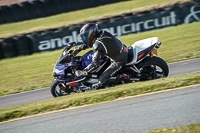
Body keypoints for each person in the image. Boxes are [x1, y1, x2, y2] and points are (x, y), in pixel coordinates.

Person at [75, 23, 128, 89]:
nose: (84, 38)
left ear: (91, 33)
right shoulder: (101, 33)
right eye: (83, 36)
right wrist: (80, 48)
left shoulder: (97, 44)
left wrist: (84, 71)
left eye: (85, 35)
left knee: (100, 81)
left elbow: (95, 64)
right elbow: (91, 43)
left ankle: (123, 78)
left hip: (119, 60)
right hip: (120, 50)